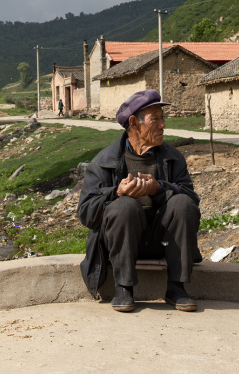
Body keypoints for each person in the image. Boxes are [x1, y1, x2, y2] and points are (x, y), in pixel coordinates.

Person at [77, 89, 201, 313]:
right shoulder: (104, 162)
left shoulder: (173, 159)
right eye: (156, 119)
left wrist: (159, 188)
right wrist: (116, 193)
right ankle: (123, 287)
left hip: (162, 242)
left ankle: (176, 288)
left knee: (182, 203)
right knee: (124, 206)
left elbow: (193, 200)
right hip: (120, 244)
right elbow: (86, 213)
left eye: (163, 119)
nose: (163, 125)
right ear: (134, 122)